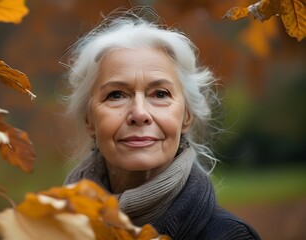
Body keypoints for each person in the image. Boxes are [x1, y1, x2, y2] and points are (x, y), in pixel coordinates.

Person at [61, 8, 261, 240]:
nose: (139, 113)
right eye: (116, 95)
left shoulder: (230, 236)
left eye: (160, 94)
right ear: (89, 120)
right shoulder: (45, 228)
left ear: (186, 116)